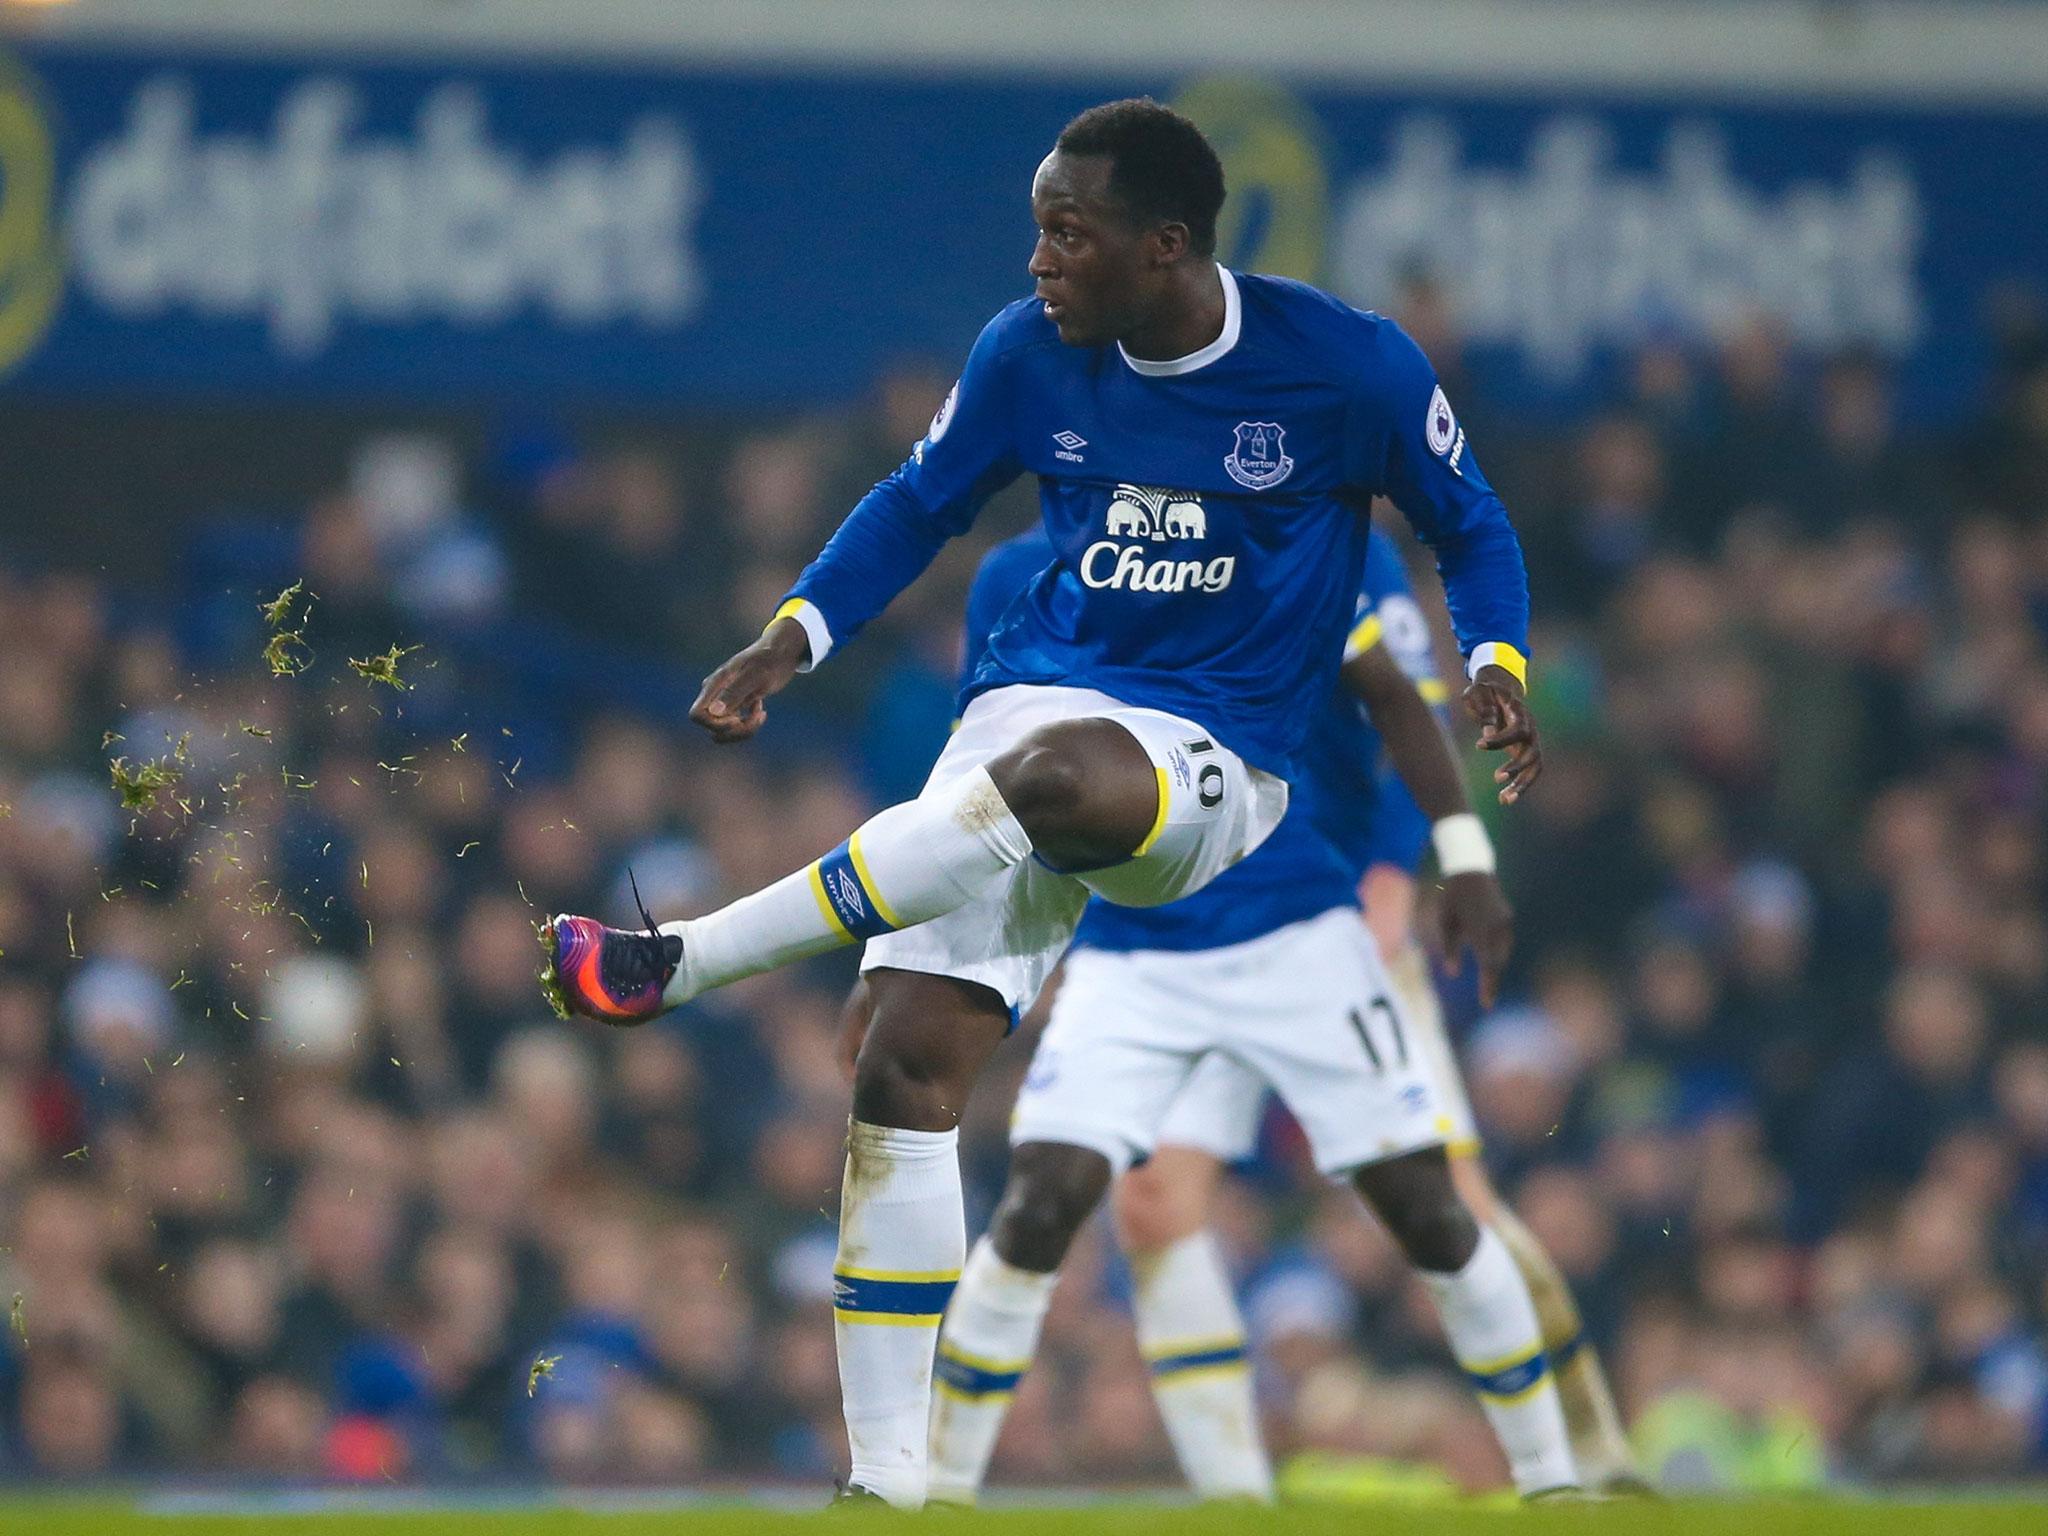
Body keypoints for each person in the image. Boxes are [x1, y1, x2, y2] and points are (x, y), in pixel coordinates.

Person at [542, 98, 1543, 1507]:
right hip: (1031, 704)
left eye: (1069, 234)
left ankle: (686, 958)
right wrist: (790, 638)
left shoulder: (1344, 365)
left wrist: (1495, 662)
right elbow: (912, 502)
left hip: (1221, 762)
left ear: (1166, 243)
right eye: (1037, 230)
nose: (1039, 263)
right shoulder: (1027, 356)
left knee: (1061, 780)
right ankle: (887, 1486)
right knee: (903, 1065)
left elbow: (1472, 522)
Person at [843, 526, 1632, 1503]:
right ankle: (961, 1499)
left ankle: (1567, 1480)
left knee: (1432, 1208)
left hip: (1303, 927)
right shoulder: (1017, 575)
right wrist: (908, 943)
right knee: (1060, 1202)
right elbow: (977, 781)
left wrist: (1425, 863)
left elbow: (1399, 701)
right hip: (1134, 953)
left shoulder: (1286, 534)